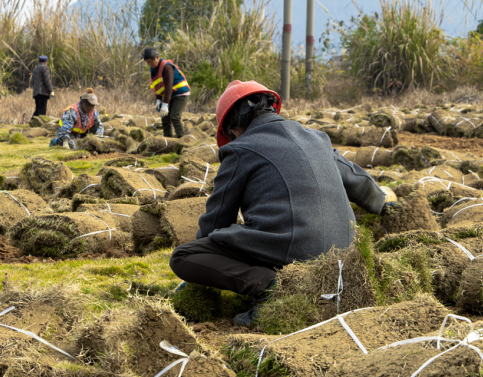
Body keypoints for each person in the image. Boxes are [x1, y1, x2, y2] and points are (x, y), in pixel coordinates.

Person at [168, 80, 396, 327]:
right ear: (271, 107)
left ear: (234, 125)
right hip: (345, 257)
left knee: (183, 256)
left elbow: (216, 223)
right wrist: (383, 202)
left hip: (296, 253)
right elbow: (358, 181)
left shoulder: (239, 150)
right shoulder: (318, 138)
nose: (232, 137)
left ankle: (270, 287)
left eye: (230, 133)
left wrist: (202, 268)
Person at [142, 48, 190, 138]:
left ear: (157, 57)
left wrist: (165, 104)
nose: (150, 64)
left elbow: (169, 86)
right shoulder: (153, 69)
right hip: (171, 95)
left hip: (180, 94)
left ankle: (182, 140)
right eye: (147, 62)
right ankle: (168, 141)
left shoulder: (167, 67)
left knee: (174, 117)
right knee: (165, 118)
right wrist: (158, 100)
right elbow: (157, 85)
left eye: (150, 62)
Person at [31, 55, 53, 119]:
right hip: (43, 93)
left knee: (37, 109)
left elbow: (33, 81)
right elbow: (47, 80)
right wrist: (51, 90)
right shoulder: (45, 68)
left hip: (36, 93)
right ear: (46, 62)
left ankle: (31, 123)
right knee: (42, 111)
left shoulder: (35, 69)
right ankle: (38, 125)